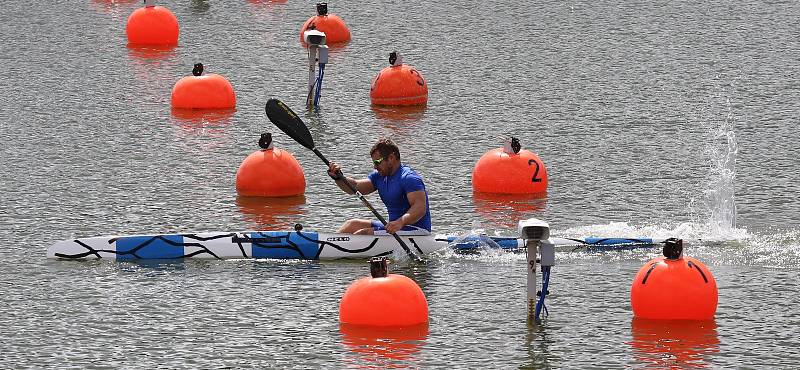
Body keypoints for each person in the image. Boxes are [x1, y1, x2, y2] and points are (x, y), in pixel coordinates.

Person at [327, 138, 431, 235]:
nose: (375, 166)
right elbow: (354, 186)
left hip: (417, 231)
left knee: (365, 233)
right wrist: (339, 177)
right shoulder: (379, 177)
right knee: (352, 224)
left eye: (377, 162)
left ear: (391, 158)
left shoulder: (409, 178)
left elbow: (420, 208)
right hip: (394, 228)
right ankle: (328, 245)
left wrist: (400, 222)